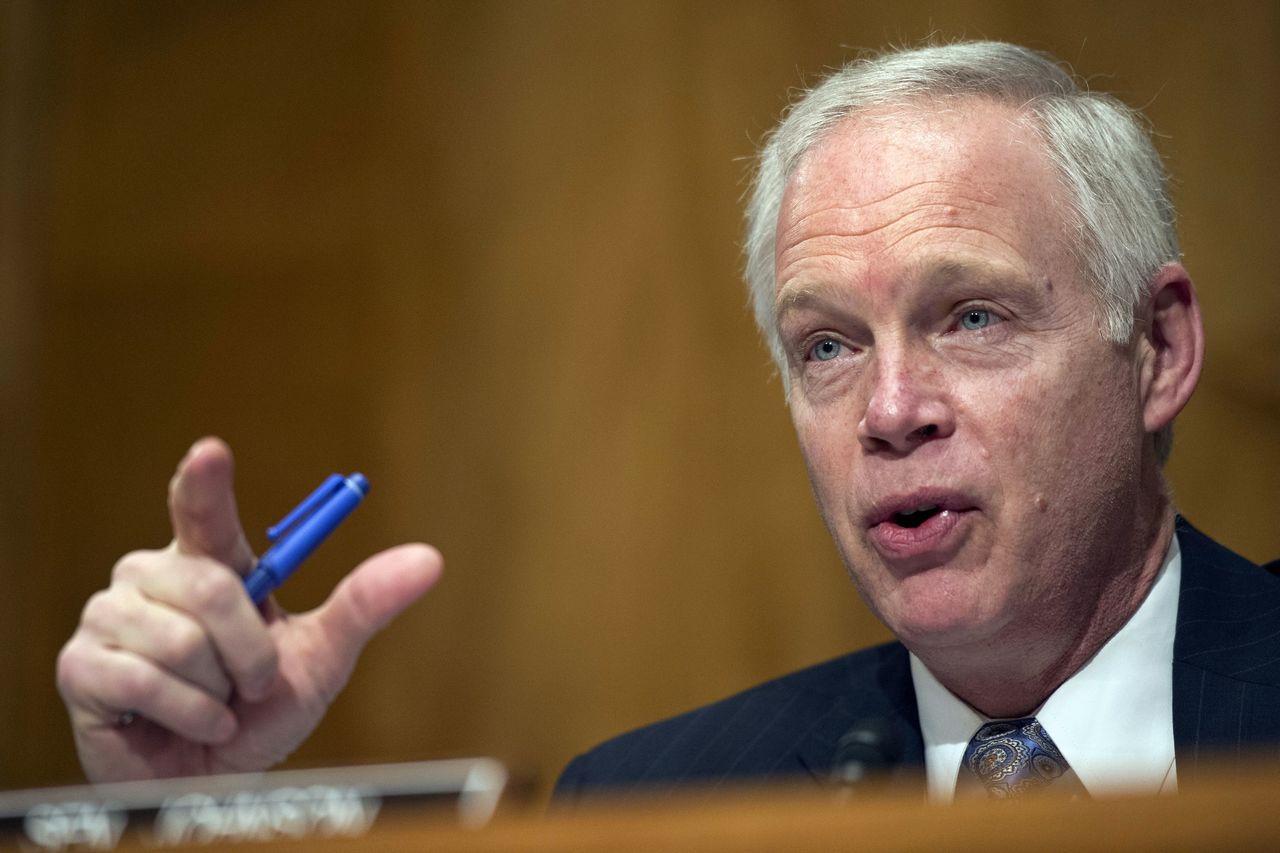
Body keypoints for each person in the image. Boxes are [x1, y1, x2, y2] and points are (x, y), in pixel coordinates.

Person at [57, 41, 1279, 801]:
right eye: (827, 347)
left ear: (1156, 349)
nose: (890, 413)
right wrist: (184, 816)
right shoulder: (655, 804)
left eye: (969, 318)